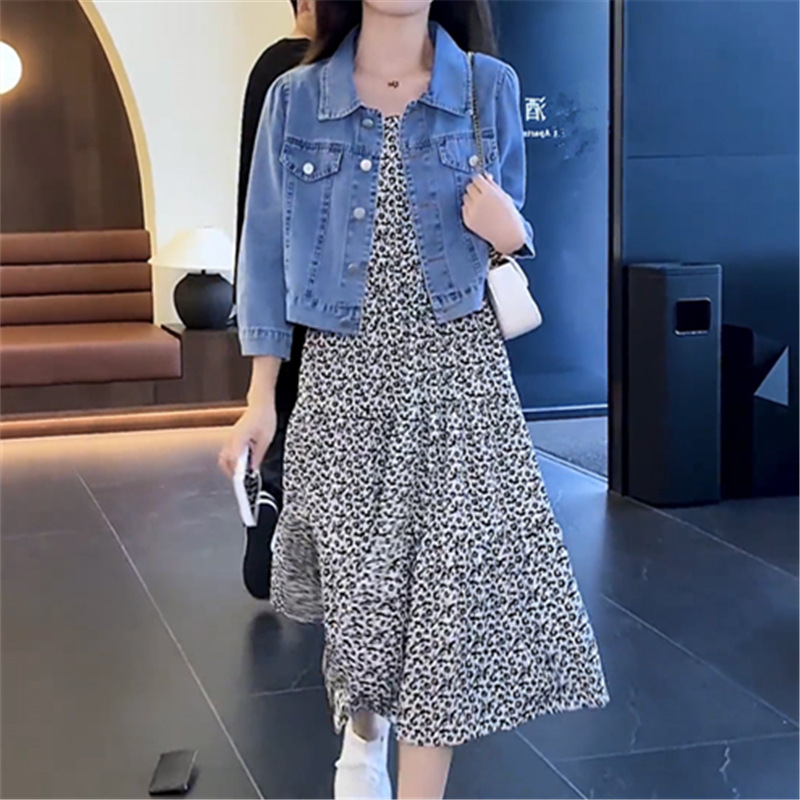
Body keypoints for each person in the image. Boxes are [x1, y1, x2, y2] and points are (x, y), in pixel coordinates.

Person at [220, 1, 609, 798]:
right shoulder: (296, 98)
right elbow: (262, 252)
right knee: (363, 606)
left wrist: (510, 229)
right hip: (343, 383)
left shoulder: (488, 86)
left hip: (458, 380)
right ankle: (365, 734)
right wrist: (260, 398)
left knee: (442, 621)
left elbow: (511, 229)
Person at [235, 0, 315, 600]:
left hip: (282, 271)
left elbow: (255, 196)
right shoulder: (308, 75)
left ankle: (272, 495)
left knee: (284, 401)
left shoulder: (269, 69)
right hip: (325, 270)